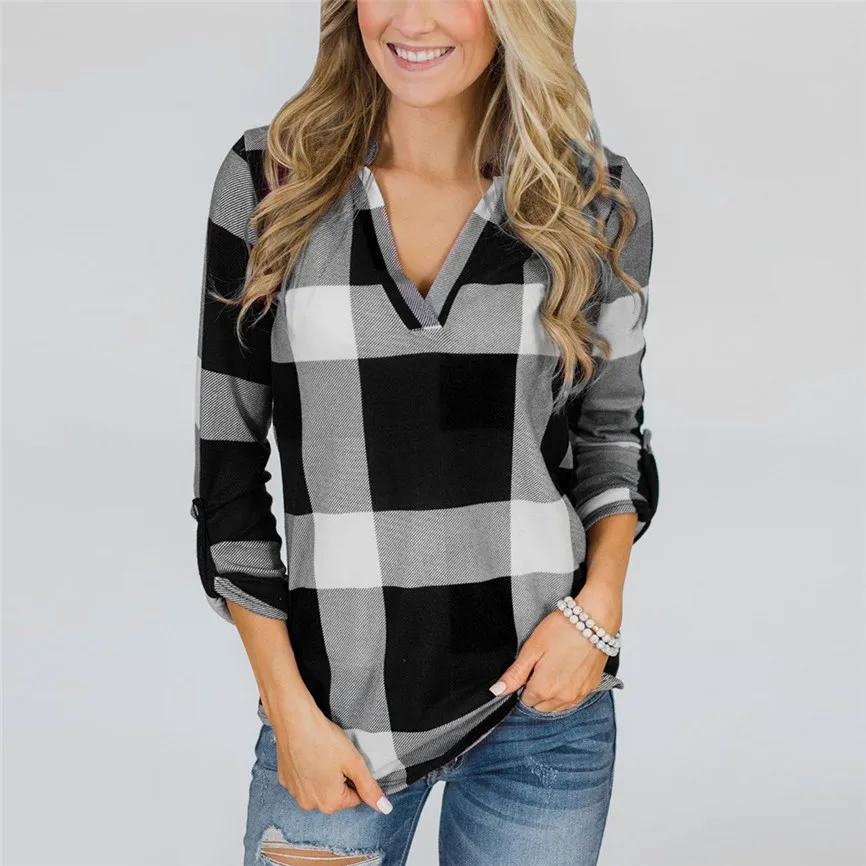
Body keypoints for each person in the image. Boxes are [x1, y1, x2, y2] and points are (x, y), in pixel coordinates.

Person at [190, 1, 658, 864]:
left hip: (544, 714)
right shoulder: (270, 181)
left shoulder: (594, 199)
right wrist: (289, 710)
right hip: (335, 729)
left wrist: (597, 613)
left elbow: (611, 436)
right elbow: (226, 477)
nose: (412, 19)